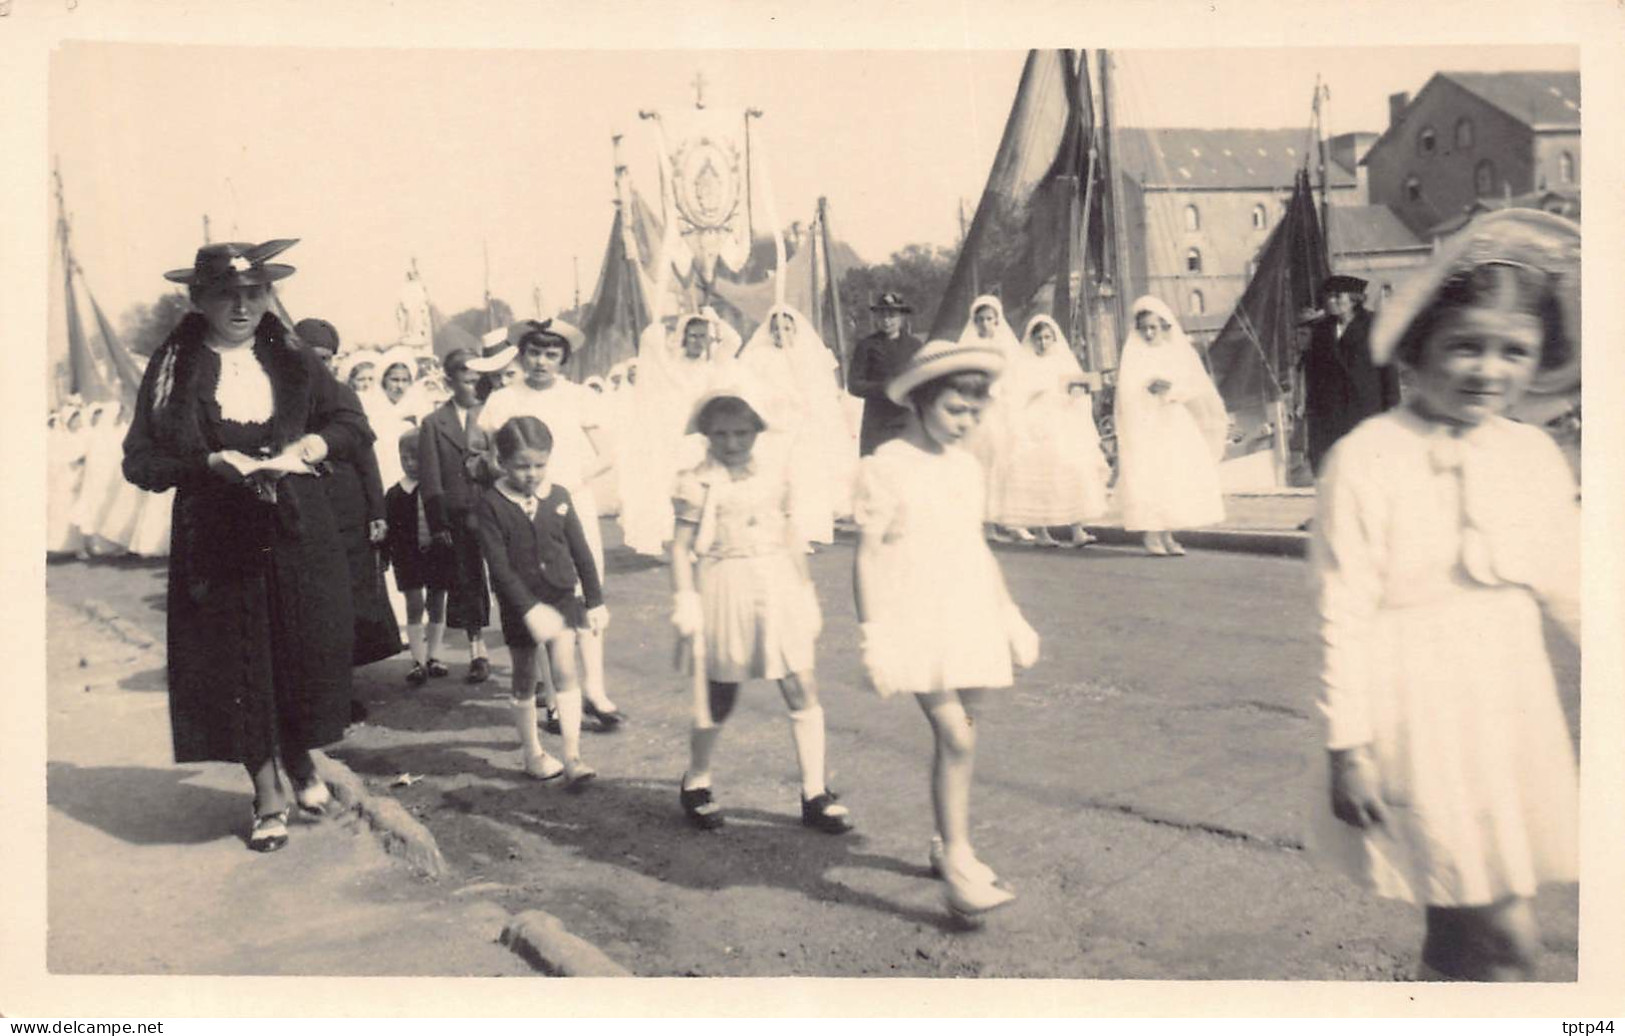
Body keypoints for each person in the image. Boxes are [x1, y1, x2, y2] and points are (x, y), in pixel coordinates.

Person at [1308, 209, 1580, 982]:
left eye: (1511, 352)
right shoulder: (1366, 459)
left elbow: (1572, 584)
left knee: (1460, 932)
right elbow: (1343, 611)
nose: (1487, 370)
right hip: (1414, 717)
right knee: (1508, 941)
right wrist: (1347, 746)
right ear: (1418, 349)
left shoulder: (1531, 454)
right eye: (1465, 346)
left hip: (1509, 708)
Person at [123, 239, 366, 853]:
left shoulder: (292, 359)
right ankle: (268, 795)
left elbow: (351, 426)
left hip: (295, 528)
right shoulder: (173, 369)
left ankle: (301, 759)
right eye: (226, 295)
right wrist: (207, 461)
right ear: (199, 300)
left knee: (299, 648)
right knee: (240, 660)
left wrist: (311, 447)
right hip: (216, 536)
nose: (241, 306)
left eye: (253, 294)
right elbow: (142, 461)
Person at [852, 337, 1041, 919]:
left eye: (975, 413)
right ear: (921, 401)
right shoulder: (886, 467)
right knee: (955, 736)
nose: (965, 424)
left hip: (969, 610)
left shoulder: (965, 467)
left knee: (964, 735)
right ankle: (959, 863)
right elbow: (868, 556)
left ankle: (946, 841)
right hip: (916, 616)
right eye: (955, 411)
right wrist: (874, 635)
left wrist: (1009, 612)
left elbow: (977, 547)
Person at [668, 373, 853, 835]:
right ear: (706, 435)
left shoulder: (774, 476)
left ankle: (814, 792)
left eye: (742, 432)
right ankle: (697, 778)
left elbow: (790, 535)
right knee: (721, 691)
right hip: (723, 583)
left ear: (757, 431)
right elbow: (680, 545)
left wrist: (806, 591)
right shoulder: (695, 482)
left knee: (799, 682)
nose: (732, 443)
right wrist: (686, 596)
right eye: (722, 434)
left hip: (777, 581)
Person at [477, 319, 624, 728]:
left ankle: (594, 688)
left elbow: (608, 453)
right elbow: (487, 455)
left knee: (582, 593)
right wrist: (506, 479)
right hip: (520, 509)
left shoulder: (579, 397)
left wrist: (573, 482)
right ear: (521, 356)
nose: (541, 362)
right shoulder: (503, 400)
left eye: (551, 355)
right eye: (534, 353)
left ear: (563, 359)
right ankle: (555, 695)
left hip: (568, 505)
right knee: (535, 593)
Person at [476, 416, 608, 788]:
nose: (531, 474)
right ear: (501, 461)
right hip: (522, 604)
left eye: (539, 465)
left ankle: (572, 755)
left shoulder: (560, 497)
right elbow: (498, 566)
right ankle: (532, 752)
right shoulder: (491, 504)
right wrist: (528, 609)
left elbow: (581, 552)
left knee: (566, 669)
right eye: (521, 466)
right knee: (524, 676)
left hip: (562, 596)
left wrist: (595, 600)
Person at [297, 318, 401, 719]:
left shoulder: (342, 396)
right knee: (314, 604)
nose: (319, 365)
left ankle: (342, 691)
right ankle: (317, 693)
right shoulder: (281, 396)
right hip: (305, 513)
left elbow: (365, 454)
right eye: (311, 356)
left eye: (327, 358)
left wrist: (377, 511)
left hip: (349, 511)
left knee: (351, 603)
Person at [1112, 296, 1227, 556]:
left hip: (1171, 417)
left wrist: (1173, 391)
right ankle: (1151, 534)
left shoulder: (1176, 352)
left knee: (1173, 472)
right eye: (1145, 329)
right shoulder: (1134, 354)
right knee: (1150, 473)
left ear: (1164, 326)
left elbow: (1192, 384)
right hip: (1145, 421)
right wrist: (1144, 388)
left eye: (1154, 327)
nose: (1149, 333)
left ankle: (1168, 532)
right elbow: (1126, 391)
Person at [736, 303, 853, 546]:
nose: (782, 334)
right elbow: (748, 389)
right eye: (777, 329)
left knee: (802, 477)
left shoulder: (805, 358)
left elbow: (820, 395)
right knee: (772, 477)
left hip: (801, 426)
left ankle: (802, 531)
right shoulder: (759, 357)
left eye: (787, 329)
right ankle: (768, 532)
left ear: (795, 331)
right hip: (771, 427)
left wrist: (802, 402)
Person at [993, 315, 1110, 546]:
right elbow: (1012, 397)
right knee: (1039, 475)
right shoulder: (1022, 364)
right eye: (1039, 339)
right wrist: (1032, 395)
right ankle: (1042, 532)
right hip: (1035, 425)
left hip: (1061, 423)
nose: (1043, 343)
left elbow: (1078, 390)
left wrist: (1076, 395)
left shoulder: (1063, 362)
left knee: (1071, 471)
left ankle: (1077, 530)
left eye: (1048, 338)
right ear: (1032, 340)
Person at [417, 348, 494, 684]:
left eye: (478, 373)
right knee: (468, 580)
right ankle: (477, 651)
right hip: (459, 516)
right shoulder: (434, 423)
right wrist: (438, 523)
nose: (473, 380)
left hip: (494, 509)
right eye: (465, 374)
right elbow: (431, 478)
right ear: (450, 380)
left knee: (508, 580)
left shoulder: (492, 415)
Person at [618, 312, 724, 558]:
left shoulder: (710, 369)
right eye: (694, 336)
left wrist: (715, 319)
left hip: (700, 435)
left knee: (702, 490)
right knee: (675, 490)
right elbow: (658, 379)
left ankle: (702, 540)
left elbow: (731, 341)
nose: (698, 342)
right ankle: (677, 541)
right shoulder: (671, 366)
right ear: (683, 337)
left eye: (703, 337)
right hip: (673, 435)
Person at [1303, 274, 1401, 476]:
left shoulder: (1375, 325)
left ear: (1354, 299)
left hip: (1366, 408)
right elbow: (1313, 373)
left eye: (1338, 296)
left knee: (1370, 468)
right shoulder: (1320, 330)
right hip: (1330, 412)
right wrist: (1311, 407)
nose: (1331, 301)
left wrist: (1392, 407)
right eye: (1328, 296)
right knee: (1336, 469)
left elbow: (1388, 370)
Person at [383, 427, 457, 686]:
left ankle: (434, 656)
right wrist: (384, 557)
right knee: (414, 604)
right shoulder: (394, 494)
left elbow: (450, 522)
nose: (412, 464)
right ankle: (418, 660)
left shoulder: (438, 492)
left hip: (437, 555)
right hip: (408, 557)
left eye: (418, 458)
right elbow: (388, 529)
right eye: (406, 458)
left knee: (437, 602)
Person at [955, 295, 1026, 543]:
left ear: (998, 320)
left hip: (1005, 409)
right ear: (974, 322)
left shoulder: (1008, 346)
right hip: (981, 412)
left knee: (1008, 463)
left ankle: (1011, 519)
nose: (986, 324)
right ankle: (986, 524)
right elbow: (961, 379)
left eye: (990, 319)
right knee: (984, 464)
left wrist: (1004, 389)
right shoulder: (968, 346)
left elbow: (1018, 378)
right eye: (981, 319)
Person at [847, 291, 922, 457]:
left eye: (892, 315)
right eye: (882, 316)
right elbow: (854, 384)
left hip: (906, 419)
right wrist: (884, 388)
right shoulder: (866, 346)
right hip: (877, 422)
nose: (887, 321)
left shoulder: (915, 346)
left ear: (902, 317)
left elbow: (923, 380)